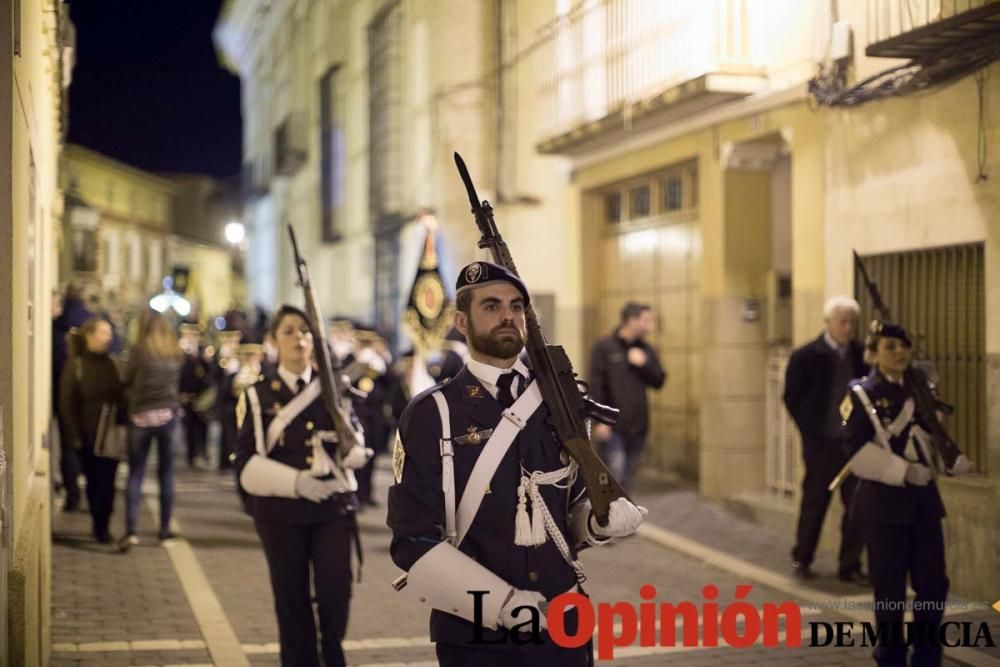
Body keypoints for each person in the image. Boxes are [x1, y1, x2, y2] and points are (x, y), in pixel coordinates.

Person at [388, 261, 647, 666]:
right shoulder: (431, 414)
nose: (508, 315)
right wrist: (510, 608)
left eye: (516, 306)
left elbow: (568, 509)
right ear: (461, 321)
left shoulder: (561, 401)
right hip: (476, 631)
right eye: (491, 306)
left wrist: (597, 523)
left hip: (563, 620)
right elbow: (414, 541)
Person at [234, 305, 371, 667]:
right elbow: (246, 463)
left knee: (335, 594)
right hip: (281, 512)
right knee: (291, 598)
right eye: (290, 331)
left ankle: (333, 655)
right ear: (273, 341)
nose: (299, 338)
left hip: (333, 508)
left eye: (306, 331)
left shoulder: (335, 390)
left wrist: (356, 451)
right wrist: (294, 482)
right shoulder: (258, 395)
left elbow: (352, 433)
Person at [842, 320, 974, 666]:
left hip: (924, 504)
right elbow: (854, 453)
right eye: (890, 347)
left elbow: (931, 437)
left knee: (933, 584)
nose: (899, 353)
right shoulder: (860, 394)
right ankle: (890, 656)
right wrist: (901, 472)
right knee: (889, 591)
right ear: (874, 353)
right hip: (883, 507)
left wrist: (949, 459)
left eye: (904, 347)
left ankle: (928, 655)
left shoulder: (921, 389)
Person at [782, 296, 869, 582]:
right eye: (843, 322)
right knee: (815, 502)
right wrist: (812, 430)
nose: (848, 328)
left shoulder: (860, 355)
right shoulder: (807, 355)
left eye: (852, 323)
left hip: (852, 442)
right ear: (828, 323)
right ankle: (802, 557)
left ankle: (850, 565)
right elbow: (792, 398)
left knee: (857, 506)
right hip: (822, 444)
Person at [119, 311, 184, 551]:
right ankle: (164, 532)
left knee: (136, 474)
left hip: (140, 418)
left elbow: (126, 380)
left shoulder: (139, 352)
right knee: (166, 475)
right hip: (167, 416)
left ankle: (131, 530)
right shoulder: (174, 351)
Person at [58, 318, 125, 543]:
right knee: (94, 481)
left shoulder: (114, 363)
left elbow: (122, 396)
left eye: (110, 333)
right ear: (90, 336)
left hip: (110, 435)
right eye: (104, 332)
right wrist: (74, 436)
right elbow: (66, 403)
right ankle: (98, 524)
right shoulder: (76, 365)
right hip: (87, 435)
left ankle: (103, 526)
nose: (109, 337)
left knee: (108, 482)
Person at [587, 302, 666, 492]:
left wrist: (644, 363)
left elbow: (659, 381)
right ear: (632, 321)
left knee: (628, 477)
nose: (650, 326)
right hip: (612, 426)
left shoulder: (646, 349)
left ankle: (621, 516)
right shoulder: (604, 347)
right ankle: (608, 515)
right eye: (646, 321)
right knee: (616, 472)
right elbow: (596, 385)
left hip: (638, 426)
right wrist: (599, 421)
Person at [52, 280, 96, 512]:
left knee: (68, 444)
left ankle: (73, 494)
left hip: (62, 394)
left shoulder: (55, 326)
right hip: (90, 397)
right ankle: (93, 494)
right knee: (92, 447)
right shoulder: (92, 323)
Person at [179, 324, 213, 468]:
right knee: (189, 427)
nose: (191, 338)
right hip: (187, 394)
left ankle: (203, 452)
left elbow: (210, 373)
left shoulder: (203, 352)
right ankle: (190, 456)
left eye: (194, 335)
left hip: (202, 395)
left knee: (203, 426)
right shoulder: (180, 353)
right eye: (188, 335)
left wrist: (205, 359)